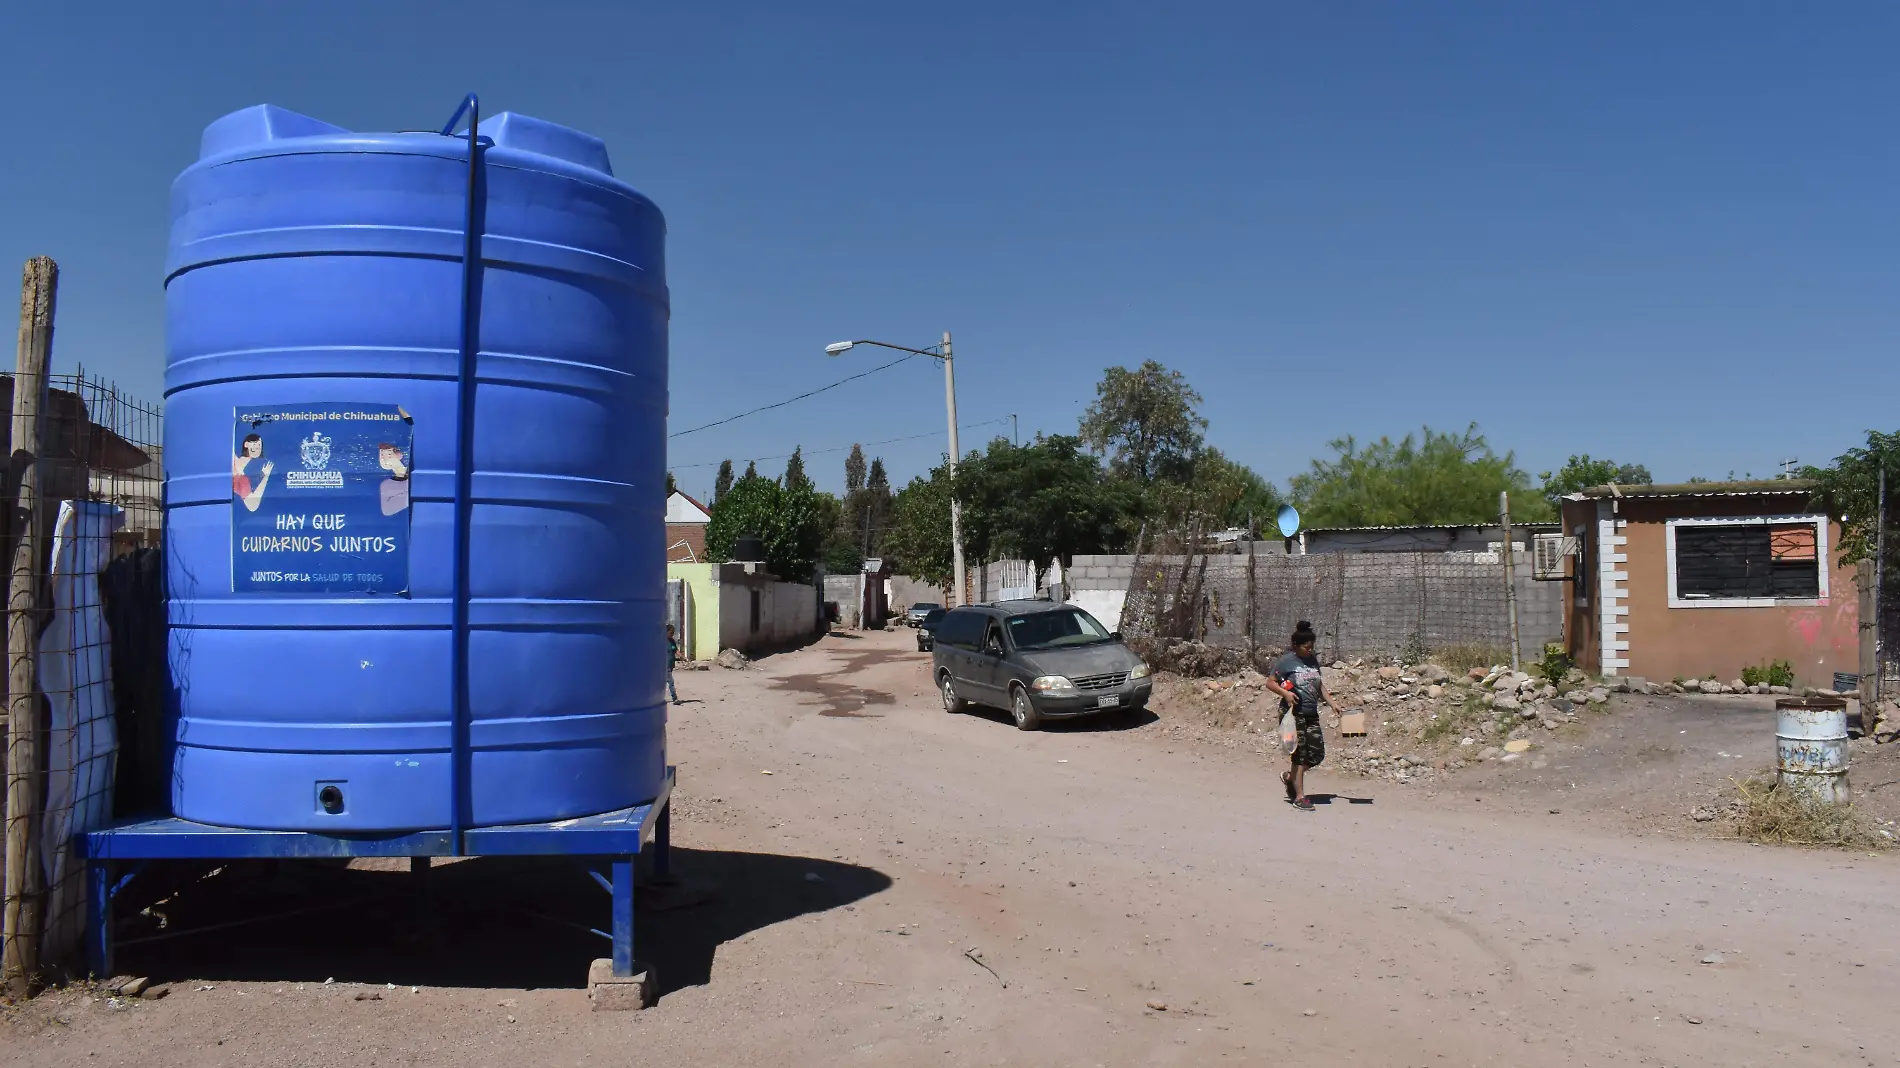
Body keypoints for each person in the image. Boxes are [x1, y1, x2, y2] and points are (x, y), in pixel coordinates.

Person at [1266, 620, 1335, 811]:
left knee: (1317, 754)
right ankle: (1299, 797)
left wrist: (1333, 704)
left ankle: (1290, 778)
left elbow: (1319, 685)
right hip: (1293, 713)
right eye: (1306, 647)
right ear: (1296, 646)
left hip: (1311, 713)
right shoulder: (1286, 661)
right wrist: (1286, 693)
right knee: (1299, 755)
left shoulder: (1312, 661)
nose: (1310, 651)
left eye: (1312, 648)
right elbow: (1270, 682)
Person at [232, 433, 273, 512]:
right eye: (254, 444)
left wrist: (264, 476)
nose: (257, 448)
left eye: (259, 446)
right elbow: (252, 505)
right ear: (246, 444)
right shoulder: (242, 477)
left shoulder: (244, 477)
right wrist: (266, 477)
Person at [665, 624, 681, 705]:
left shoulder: (672, 641)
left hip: (670, 665)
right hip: (664, 666)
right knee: (671, 681)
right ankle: (675, 698)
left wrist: (682, 657)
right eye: (671, 633)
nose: (672, 634)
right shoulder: (662, 641)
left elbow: (675, 650)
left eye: (673, 633)